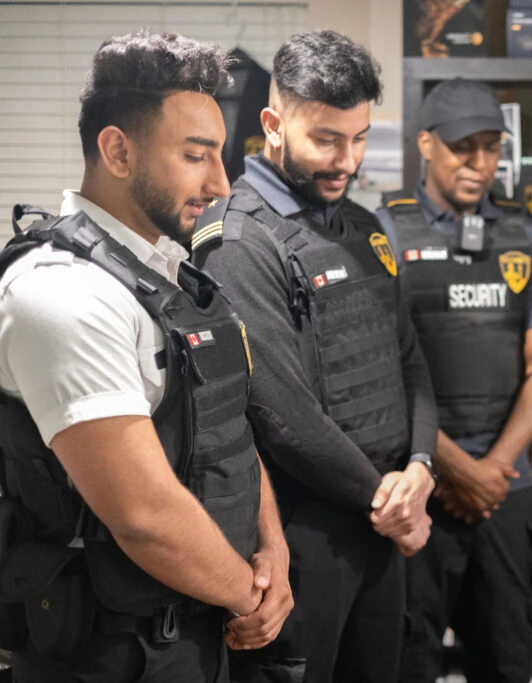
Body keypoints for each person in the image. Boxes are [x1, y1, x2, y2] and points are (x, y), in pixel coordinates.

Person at [0, 30, 292, 682]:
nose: (221, 182)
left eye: (221, 155)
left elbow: (227, 428)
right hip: (111, 653)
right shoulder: (63, 293)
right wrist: (250, 593)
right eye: (196, 156)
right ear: (117, 151)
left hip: (202, 629)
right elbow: (144, 516)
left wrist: (272, 550)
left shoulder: (167, 273)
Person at [190, 30, 437, 682]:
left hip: (381, 526)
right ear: (273, 124)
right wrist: (386, 499)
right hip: (303, 535)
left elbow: (409, 358)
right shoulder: (239, 239)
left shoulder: (363, 227)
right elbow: (280, 412)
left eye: (359, 139)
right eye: (326, 139)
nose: (347, 161)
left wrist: (420, 464)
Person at [376, 77, 532, 682]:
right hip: (413, 482)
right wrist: (453, 467)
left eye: (491, 147)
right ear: (426, 144)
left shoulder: (528, 238)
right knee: (407, 657)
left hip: (503, 491)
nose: (480, 164)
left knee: (510, 658)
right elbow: (379, 372)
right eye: (464, 147)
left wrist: (493, 471)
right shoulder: (380, 232)